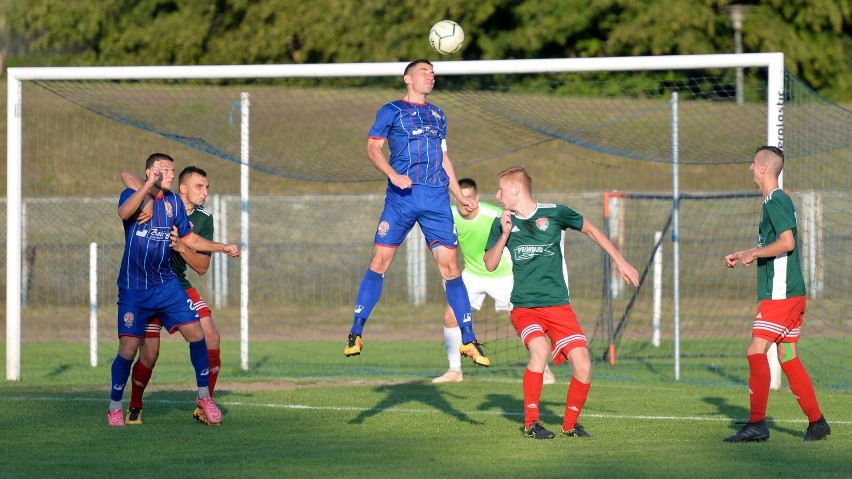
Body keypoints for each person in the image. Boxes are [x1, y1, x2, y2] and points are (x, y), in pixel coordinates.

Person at [344, 59, 489, 368]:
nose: (431, 76)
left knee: (450, 267)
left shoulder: (439, 114)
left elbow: (444, 159)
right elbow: (373, 148)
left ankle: (468, 338)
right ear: (408, 78)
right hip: (402, 197)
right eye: (424, 71)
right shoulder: (391, 110)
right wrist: (393, 175)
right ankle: (356, 330)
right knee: (380, 261)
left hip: (436, 198)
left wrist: (459, 195)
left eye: (433, 72)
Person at [483, 166, 639, 440]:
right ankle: (532, 423)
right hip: (524, 307)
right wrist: (505, 234)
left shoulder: (555, 213)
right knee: (540, 351)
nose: (497, 195)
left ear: (517, 190)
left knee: (584, 365)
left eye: (501, 189)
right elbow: (490, 263)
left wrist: (620, 260)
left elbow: (591, 230)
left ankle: (570, 425)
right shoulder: (501, 223)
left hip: (558, 306)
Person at [109, 153, 239, 427]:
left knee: (201, 334)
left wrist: (223, 247)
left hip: (169, 286)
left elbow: (192, 242)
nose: (171, 174)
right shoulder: (136, 197)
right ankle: (119, 405)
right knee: (135, 350)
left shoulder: (176, 205)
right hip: (136, 289)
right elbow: (124, 201)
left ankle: (205, 397)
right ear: (153, 172)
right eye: (166, 170)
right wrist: (147, 190)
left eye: (172, 170)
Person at [722, 146, 830, 442]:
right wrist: (746, 252)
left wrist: (754, 252)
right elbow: (777, 244)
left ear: (764, 169)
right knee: (788, 355)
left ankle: (757, 424)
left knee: (755, 352)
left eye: (753, 163)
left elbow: (787, 243)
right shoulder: (775, 200)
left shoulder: (775, 200)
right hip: (791, 292)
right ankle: (817, 422)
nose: (749, 168)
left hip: (781, 295)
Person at [433, 178, 555, 384]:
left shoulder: (493, 215)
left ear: (477, 198)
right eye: (461, 197)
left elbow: (520, 235)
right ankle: (454, 371)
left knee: (524, 320)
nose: (465, 203)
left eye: (469, 197)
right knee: (450, 316)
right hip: (472, 274)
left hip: (503, 275)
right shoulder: (450, 216)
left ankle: (544, 369)